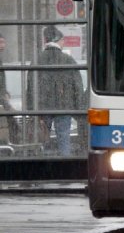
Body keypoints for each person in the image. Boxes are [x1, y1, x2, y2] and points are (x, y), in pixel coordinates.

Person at [27, 26, 84, 156]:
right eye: (63, 41)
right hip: (64, 107)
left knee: (42, 140)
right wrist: (79, 110)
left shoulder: (37, 60)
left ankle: (43, 166)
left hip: (42, 108)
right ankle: (65, 167)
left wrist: (31, 109)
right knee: (64, 140)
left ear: (45, 40)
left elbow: (30, 87)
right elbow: (78, 86)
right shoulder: (68, 60)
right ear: (59, 40)